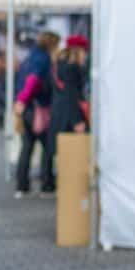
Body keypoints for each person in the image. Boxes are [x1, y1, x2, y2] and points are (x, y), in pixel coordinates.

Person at [13, 31, 60, 197]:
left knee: (27, 146)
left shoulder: (30, 57)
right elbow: (33, 81)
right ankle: (47, 184)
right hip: (36, 108)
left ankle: (22, 185)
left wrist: (20, 102)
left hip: (27, 108)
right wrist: (23, 100)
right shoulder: (43, 59)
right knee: (47, 147)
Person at [43, 35, 90, 191]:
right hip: (69, 114)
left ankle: (49, 182)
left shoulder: (58, 64)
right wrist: (77, 120)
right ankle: (68, 185)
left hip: (59, 111)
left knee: (55, 150)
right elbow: (71, 95)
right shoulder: (71, 68)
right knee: (71, 152)